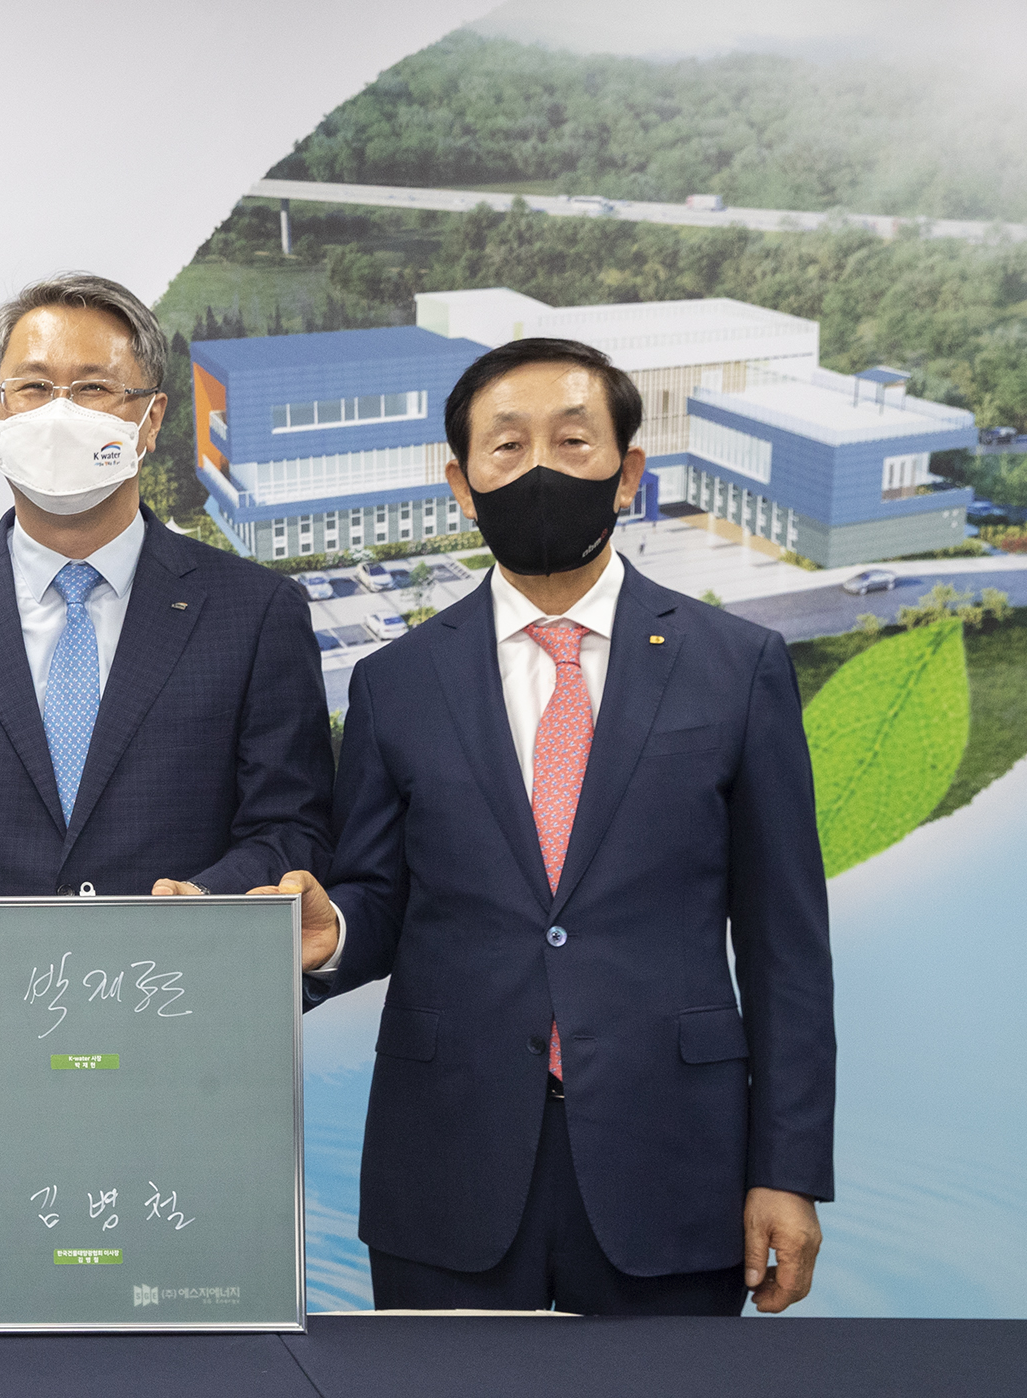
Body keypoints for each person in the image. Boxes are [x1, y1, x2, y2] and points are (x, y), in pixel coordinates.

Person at [273, 336, 833, 1315]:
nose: (540, 468)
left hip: (675, 1160)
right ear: (462, 484)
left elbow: (786, 944)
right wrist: (338, 933)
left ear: (629, 472)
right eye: (507, 446)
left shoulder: (736, 667)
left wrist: (787, 1170)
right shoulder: (396, 684)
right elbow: (380, 899)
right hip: (449, 1156)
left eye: (573, 442)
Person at [0, 273, 333, 899]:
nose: (58, 414)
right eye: (33, 387)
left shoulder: (255, 612)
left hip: (172, 958)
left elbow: (290, 826)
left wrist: (203, 903)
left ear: (150, 419)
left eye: (93, 388)